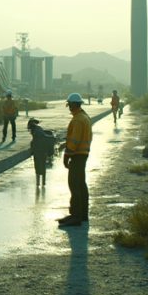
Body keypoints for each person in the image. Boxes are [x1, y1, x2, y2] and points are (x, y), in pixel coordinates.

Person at [58, 92, 92, 227]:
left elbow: (74, 141)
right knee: (81, 185)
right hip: (83, 154)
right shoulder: (85, 117)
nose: (69, 108)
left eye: (69, 105)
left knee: (74, 185)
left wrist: (66, 155)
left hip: (77, 155)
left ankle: (76, 216)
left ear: (73, 105)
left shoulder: (78, 120)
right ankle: (82, 214)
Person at [27, 118, 57, 187]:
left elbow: (35, 141)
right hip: (43, 151)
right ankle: (43, 182)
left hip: (38, 151)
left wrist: (32, 151)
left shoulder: (36, 130)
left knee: (37, 166)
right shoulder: (38, 129)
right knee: (43, 166)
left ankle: (38, 183)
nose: (29, 130)